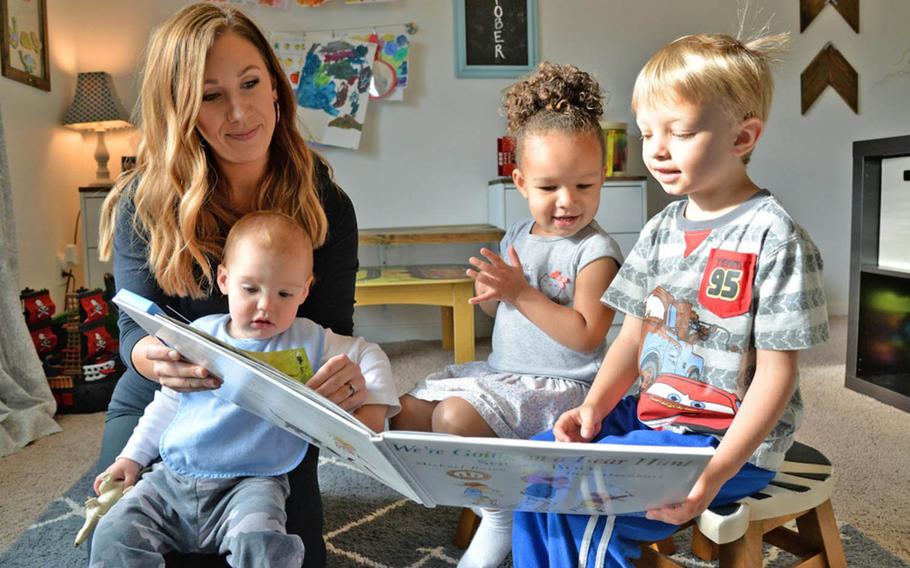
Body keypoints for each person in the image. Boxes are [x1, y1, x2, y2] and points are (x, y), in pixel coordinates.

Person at [511, 32, 830, 567]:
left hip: (725, 442)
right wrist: (593, 408)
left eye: (678, 133)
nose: (656, 149)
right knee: (536, 471)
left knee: (580, 499)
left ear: (743, 136)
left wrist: (715, 473)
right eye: (646, 133)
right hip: (655, 417)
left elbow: (777, 377)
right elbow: (632, 336)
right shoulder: (661, 229)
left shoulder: (775, 239)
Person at [95, 4, 364, 565]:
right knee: (119, 542)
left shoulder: (327, 206)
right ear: (181, 108)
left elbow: (334, 329)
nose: (239, 112)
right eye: (210, 95)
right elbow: (131, 330)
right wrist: (151, 356)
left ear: (276, 89)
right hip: (161, 406)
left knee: (275, 552)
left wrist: (341, 381)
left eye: (250, 83)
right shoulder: (143, 203)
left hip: (271, 412)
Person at [390, 62, 623, 568]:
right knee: (401, 409)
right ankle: (487, 495)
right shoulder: (517, 235)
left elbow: (585, 337)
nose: (567, 202)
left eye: (584, 186)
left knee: (452, 417)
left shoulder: (597, 251)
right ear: (519, 182)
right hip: (503, 375)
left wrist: (518, 293)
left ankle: (500, 514)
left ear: (602, 176)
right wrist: (492, 294)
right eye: (548, 188)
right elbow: (506, 319)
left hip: (562, 389)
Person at [90, 212, 399, 566]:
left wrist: (372, 410)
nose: (266, 304)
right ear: (224, 279)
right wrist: (130, 459)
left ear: (305, 290)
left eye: (284, 293)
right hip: (173, 480)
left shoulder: (311, 340)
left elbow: (368, 353)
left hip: (253, 484)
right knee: (114, 531)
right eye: (250, 289)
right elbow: (167, 405)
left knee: (265, 545)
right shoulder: (201, 334)